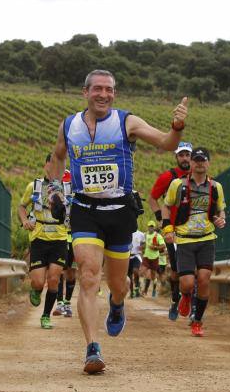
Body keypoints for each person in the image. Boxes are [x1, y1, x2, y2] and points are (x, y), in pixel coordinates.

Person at [49, 69, 188, 374]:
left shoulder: (127, 122)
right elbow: (57, 158)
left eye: (109, 90)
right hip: (85, 208)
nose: (103, 95)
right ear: (85, 92)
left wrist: (177, 126)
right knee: (88, 275)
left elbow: (166, 143)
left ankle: (117, 303)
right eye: (97, 89)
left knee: (117, 283)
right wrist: (55, 190)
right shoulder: (69, 125)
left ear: (114, 94)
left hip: (120, 211)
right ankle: (92, 349)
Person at [162, 147, 226, 337]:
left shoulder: (215, 187)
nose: (199, 163)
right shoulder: (178, 185)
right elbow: (166, 206)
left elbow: (220, 210)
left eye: (202, 160)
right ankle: (187, 296)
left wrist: (220, 218)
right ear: (191, 163)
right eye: (196, 159)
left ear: (208, 163)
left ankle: (197, 321)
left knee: (204, 280)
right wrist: (167, 228)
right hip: (184, 239)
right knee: (188, 283)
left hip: (206, 238)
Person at [18, 154, 69, 329]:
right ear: (45, 165)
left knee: (54, 279)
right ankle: (36, 290)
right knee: (39, 281)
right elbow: (21, 207)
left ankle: (46, 316)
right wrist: (25, 221)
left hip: (60, 239)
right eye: (51, 164)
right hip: (39, 238)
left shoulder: (67, 188)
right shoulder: (34, 186)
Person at [148, 141, 192, 320]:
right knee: (176, 271)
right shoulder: (168, 177)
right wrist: (161, 218)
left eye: (187, 154)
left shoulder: (199, 177)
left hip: (193, 230)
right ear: (176, 157)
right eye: (181, 155)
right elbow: (152, 198)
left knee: (192, 270)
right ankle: (175, 299)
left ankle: (191, 305)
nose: (185, 158)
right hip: (171, 230)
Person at [53, 170, 76, 317]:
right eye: (63, 183)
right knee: (60, 270)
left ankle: (67, 303)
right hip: (60, 237)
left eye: (67, 183)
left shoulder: (78, 196)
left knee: (71, 273)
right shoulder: (55, 197)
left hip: (75, 238)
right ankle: (59, 303)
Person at [142, 220, 166, 297]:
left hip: (157, 260)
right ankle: (145, 290)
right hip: (148, 258)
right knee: (147, 273)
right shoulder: (146, 235)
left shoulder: (159, 237)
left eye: (152, 227)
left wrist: (155, 248)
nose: (151, 228)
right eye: (150, 227)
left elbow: (164, 248)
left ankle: (157, 289)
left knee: (156, 276)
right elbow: (143, 244)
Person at [128, 227, 146, 298]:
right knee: (129, 277)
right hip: (128, 256)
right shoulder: (126, 233)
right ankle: (132, 292)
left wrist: (142, 247)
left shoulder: (141, 234)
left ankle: (137, 285)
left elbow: (144, 244)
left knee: (135, 271)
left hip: (136, 255)